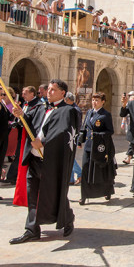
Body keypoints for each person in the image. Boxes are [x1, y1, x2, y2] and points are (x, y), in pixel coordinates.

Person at [9, 79, 79, 244]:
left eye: (53, 90)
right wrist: (21, 115)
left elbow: (63, 132)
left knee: (54, 193)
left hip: (50, 161)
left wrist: (44, 142)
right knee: (32, 194)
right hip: (34, 158)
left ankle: (67, 217)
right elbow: (28, 122)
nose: (49, 92)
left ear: (63, 93)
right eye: (48, 89)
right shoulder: (40, 108)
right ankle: (31, 230)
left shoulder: (67, 111)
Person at [78, 92, 116, 204]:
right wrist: (80, 140)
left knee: (100, 170)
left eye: (97, 100)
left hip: (100, 147)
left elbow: (110, 131)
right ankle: (84, 195)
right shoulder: (90, 112)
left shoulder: (106, 115)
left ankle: (107, 191)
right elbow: (84, 127)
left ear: (103, 102)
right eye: (93, 100)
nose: (94, 103)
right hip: (89, 146)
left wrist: (98, 135)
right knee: (85, 169)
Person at [64, 92, 83, 185]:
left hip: (72, 136)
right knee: (69, 156)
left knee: (69, 156)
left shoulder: (75, 110)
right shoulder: (72, 108)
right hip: (70, 135)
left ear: (68, 99)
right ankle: (70, 178)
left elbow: (76, 125)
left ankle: (80, 173)